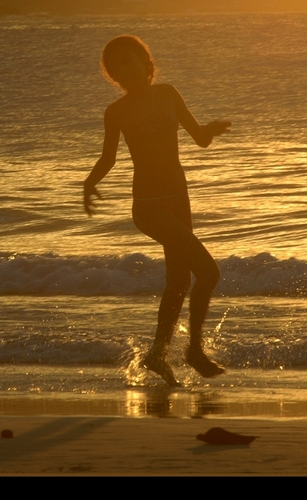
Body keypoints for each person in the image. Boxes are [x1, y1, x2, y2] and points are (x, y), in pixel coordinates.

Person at [83, 35, 231, 386]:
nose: (123, 69)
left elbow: (199, 138)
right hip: (149, 208)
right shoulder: (116, 112)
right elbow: (109, 158)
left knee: (179, 282)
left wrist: (210, 129)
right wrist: (89, 183)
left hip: (180, 200)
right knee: (208, 273)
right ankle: (193, 351)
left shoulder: (169, 94)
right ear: (113, 77)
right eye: (115, 67)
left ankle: (157, 354)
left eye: (128, 60)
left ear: (145, 61)